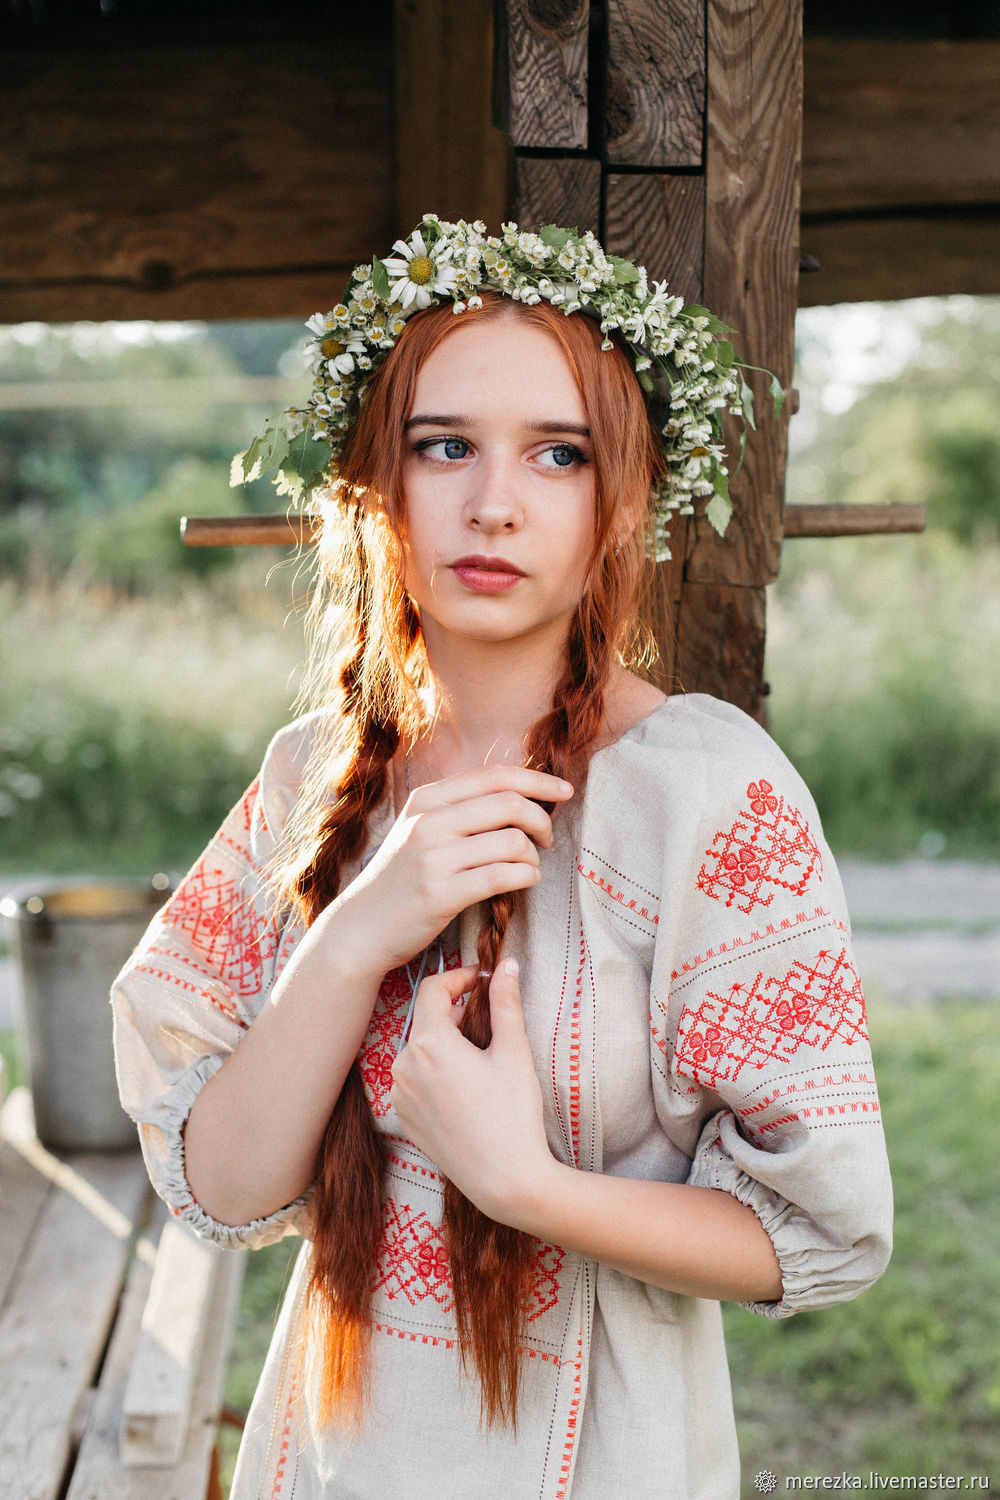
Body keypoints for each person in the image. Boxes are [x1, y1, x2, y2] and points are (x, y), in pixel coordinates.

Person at [112, 217, 892, 1499]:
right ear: (375, 481)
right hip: (334, 1451)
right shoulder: (311, 774)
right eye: (444, 447)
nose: (492, 503)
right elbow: (223, 1189)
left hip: (604, 1459)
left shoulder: (703, 793)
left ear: (620, 500)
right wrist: (364, 923)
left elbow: (817, 1227)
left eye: (557, 454)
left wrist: (520, 1182)